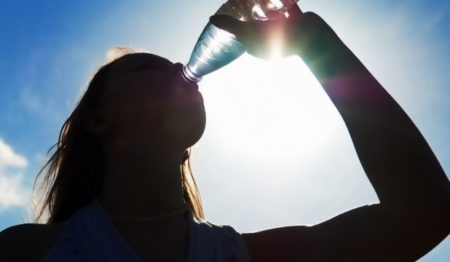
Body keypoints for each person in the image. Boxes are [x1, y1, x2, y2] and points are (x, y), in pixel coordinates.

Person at [1, 4, 449, 262]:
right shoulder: (29, 251)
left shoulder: (240, 255)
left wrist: (318, 45)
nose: (180, 67)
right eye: (149, 67)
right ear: (99, 121)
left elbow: (425, 215)